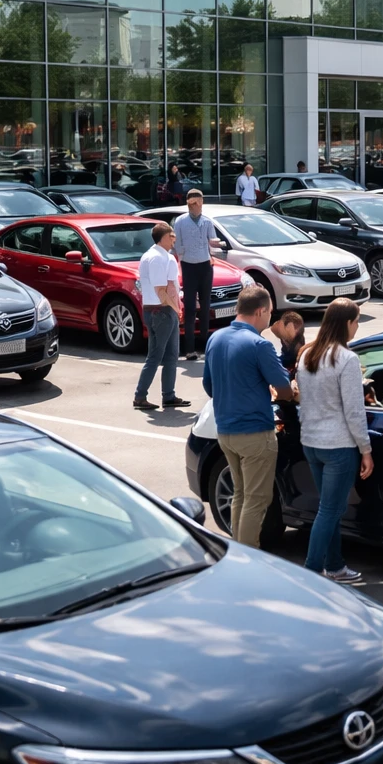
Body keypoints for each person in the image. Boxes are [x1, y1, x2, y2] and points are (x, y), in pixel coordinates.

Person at [203, 286, 295, 548]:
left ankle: (238, 550)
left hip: (225, 432)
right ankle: (247, 559)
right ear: (260, 311)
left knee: (240, 495)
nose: (270, 319)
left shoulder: (215, 339)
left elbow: (210, 387)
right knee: (257, 499)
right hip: (255, 433)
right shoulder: (259, 344)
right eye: (270, 313)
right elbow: (284, 386)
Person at [296, 298, 372, 584]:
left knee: (327, 509)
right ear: (345, 324)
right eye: (356, 321)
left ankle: (335, 565)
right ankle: (312, 572)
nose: (357, 327)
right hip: (338, 446)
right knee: (330, 510)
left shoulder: (306, 355)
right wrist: (366, 450)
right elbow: (354, 411)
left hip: (311, 442)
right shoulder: (347, 359)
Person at [134, 222, 191, 411]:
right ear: (163, 237)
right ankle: (140, 396)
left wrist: (176, 307)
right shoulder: (157, 258)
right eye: (171, 236)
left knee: (171, 356)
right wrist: (176, 308)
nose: (174, 239)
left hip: (159, 310)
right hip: (161, 310)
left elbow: (171, 286)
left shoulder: (160, 256)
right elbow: (161, 290)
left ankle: (169, 396)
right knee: (156, 356)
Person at [173, 188, 221, 360]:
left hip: (205, 265)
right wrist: (184, 255)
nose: (198, 206)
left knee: (206, 305)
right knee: (191, 307)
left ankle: (205, 346)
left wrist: (216, 245)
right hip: (189, 266)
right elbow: (177, 244)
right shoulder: (180, 221)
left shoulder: (207, 221)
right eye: (195, 203)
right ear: (190, 203)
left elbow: (212, 240)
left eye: (200, 202)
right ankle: (190, 348)